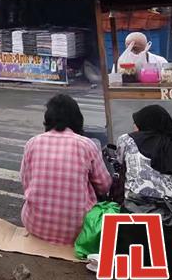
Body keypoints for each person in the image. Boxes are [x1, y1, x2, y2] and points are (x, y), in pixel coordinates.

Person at [20, 94, 112, 245]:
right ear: (77, 118)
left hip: (35, 226)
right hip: (81, 231)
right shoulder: (86, 145)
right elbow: (104, 186)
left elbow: (26, 183)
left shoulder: (33, 143)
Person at [116, 105, 172, 271]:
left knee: (130, 195)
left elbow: (120, 164)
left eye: (136, 123)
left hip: (138, 215)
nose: (134, 126)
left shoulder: (127, 140)